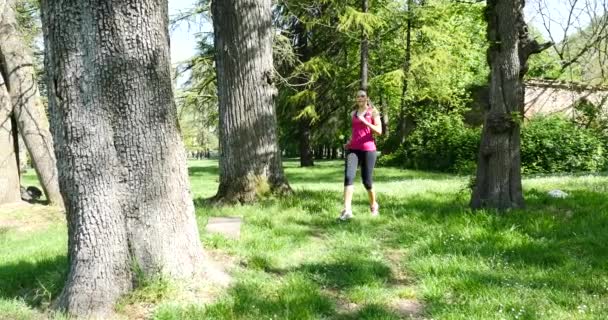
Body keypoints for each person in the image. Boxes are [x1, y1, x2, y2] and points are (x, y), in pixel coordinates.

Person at [339, 90, 382, 221]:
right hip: (353, 150)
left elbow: (379, 131)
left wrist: (367, 122)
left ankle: (374, 205)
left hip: (369, 149)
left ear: (367, 98)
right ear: (356, 99)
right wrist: (349, 143)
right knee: (348, 177)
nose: (360, 98)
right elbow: (356, 132)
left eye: (362, 96)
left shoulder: (373, 112)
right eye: (357, 96)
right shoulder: (353, 113)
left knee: (367, 181)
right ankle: (347, 210)